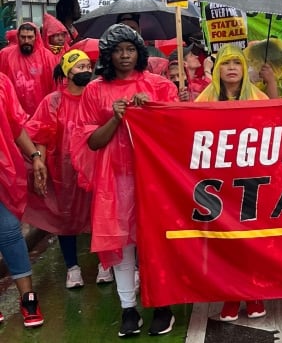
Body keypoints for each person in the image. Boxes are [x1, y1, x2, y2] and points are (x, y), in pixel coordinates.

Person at [71, 24, 178, 337]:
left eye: (130, 49)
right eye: (118, 50)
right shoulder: (94, 90)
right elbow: (89, 142)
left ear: (139, 51)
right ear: (108, 55)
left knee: (155, 244)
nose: (125, 55)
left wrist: (154, 111)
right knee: (122, 246)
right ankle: (128, 309)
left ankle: (162, 305)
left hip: (154, 180)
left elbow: (176, 131)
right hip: (114, 182)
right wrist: (115, 119)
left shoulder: (158, 86)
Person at [24, 49, 114, 288]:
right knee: (66, 219)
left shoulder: (97, 95)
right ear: (67, 71)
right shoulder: (53, 101)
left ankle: (105, 264)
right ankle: (72, 268)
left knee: (99, 214)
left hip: (96, 166)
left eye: (87, 66)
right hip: (63, 171)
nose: (85, 70)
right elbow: (41, 133)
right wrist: (39, 164)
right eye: (79, 66)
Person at [195, 45, 269, 320]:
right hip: (218, 183)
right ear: (217, 69)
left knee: (250, 240)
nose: (232, 68)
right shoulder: (204, 100)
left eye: (237, 62)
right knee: (223, 241)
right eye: (226, 63)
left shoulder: (259, 97)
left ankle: (253, 295)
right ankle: (229, 296)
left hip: (251, 181)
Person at [0, 70, 47, 328]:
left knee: (9, 231)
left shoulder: (1, 82)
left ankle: (28, 298)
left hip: (3, 172)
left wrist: (35, 156)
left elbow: (15, 125)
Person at [0, 22, 60, 114]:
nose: (26, 41)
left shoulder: (48, 57)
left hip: (40, 113)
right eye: (23, 37)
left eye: (30, 37)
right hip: (13, 112)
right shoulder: (6, 55)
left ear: (36, 37)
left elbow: (55, 86)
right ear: (18, 37)